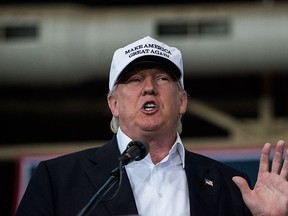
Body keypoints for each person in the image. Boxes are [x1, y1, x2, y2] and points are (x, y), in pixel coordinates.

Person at [15, 36, 288, 216]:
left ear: (182, 101)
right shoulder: (59, 180)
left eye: (162, 78)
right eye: (134, 80)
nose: (149, 88)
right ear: (113, 104)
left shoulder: (230, 186)